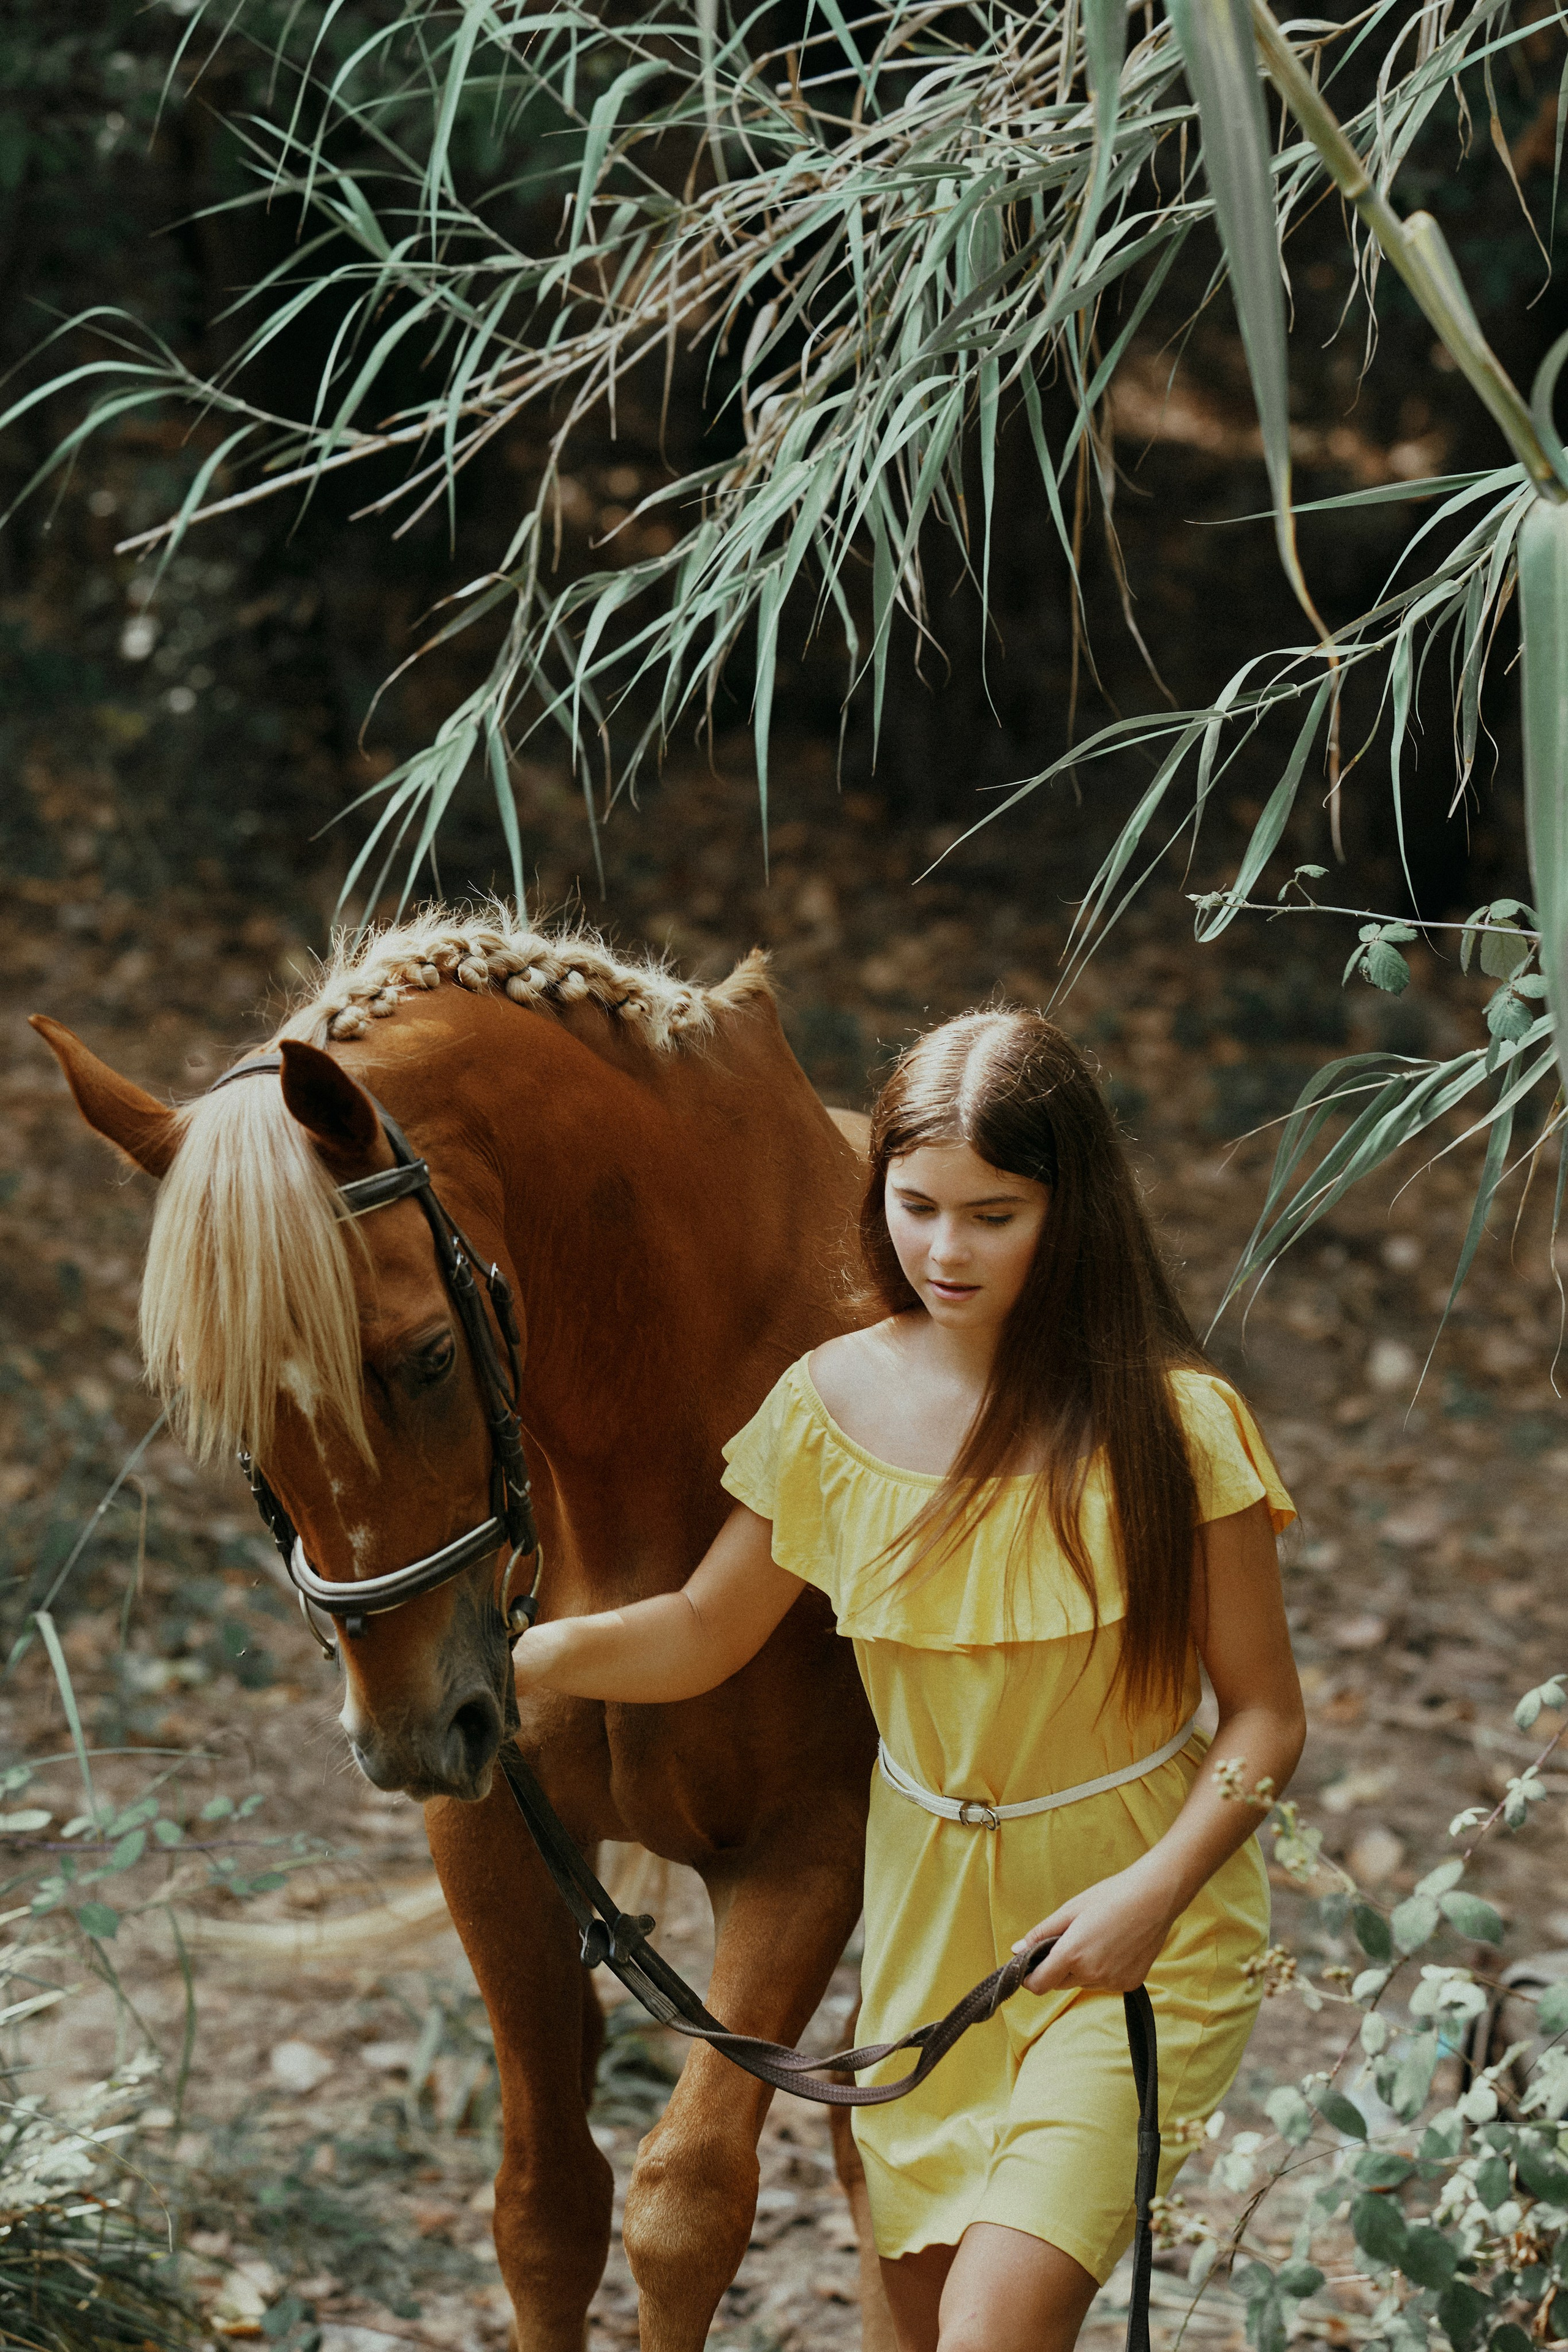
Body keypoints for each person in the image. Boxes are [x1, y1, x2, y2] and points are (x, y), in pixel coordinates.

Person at [511, 1008, 1306, 2352]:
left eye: (993, 1214)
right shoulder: (826, 1406)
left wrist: (1151, 1893)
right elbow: (704, 1630)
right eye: (917, 1205)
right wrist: (523, 1651)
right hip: (931, 1927)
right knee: (916, 2328)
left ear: (1072, 1210)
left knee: (993, 2329)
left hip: (1134, 1925)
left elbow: (1268, 1715)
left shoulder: (1176, 1426)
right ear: (873, 1189)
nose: (945, 1250)